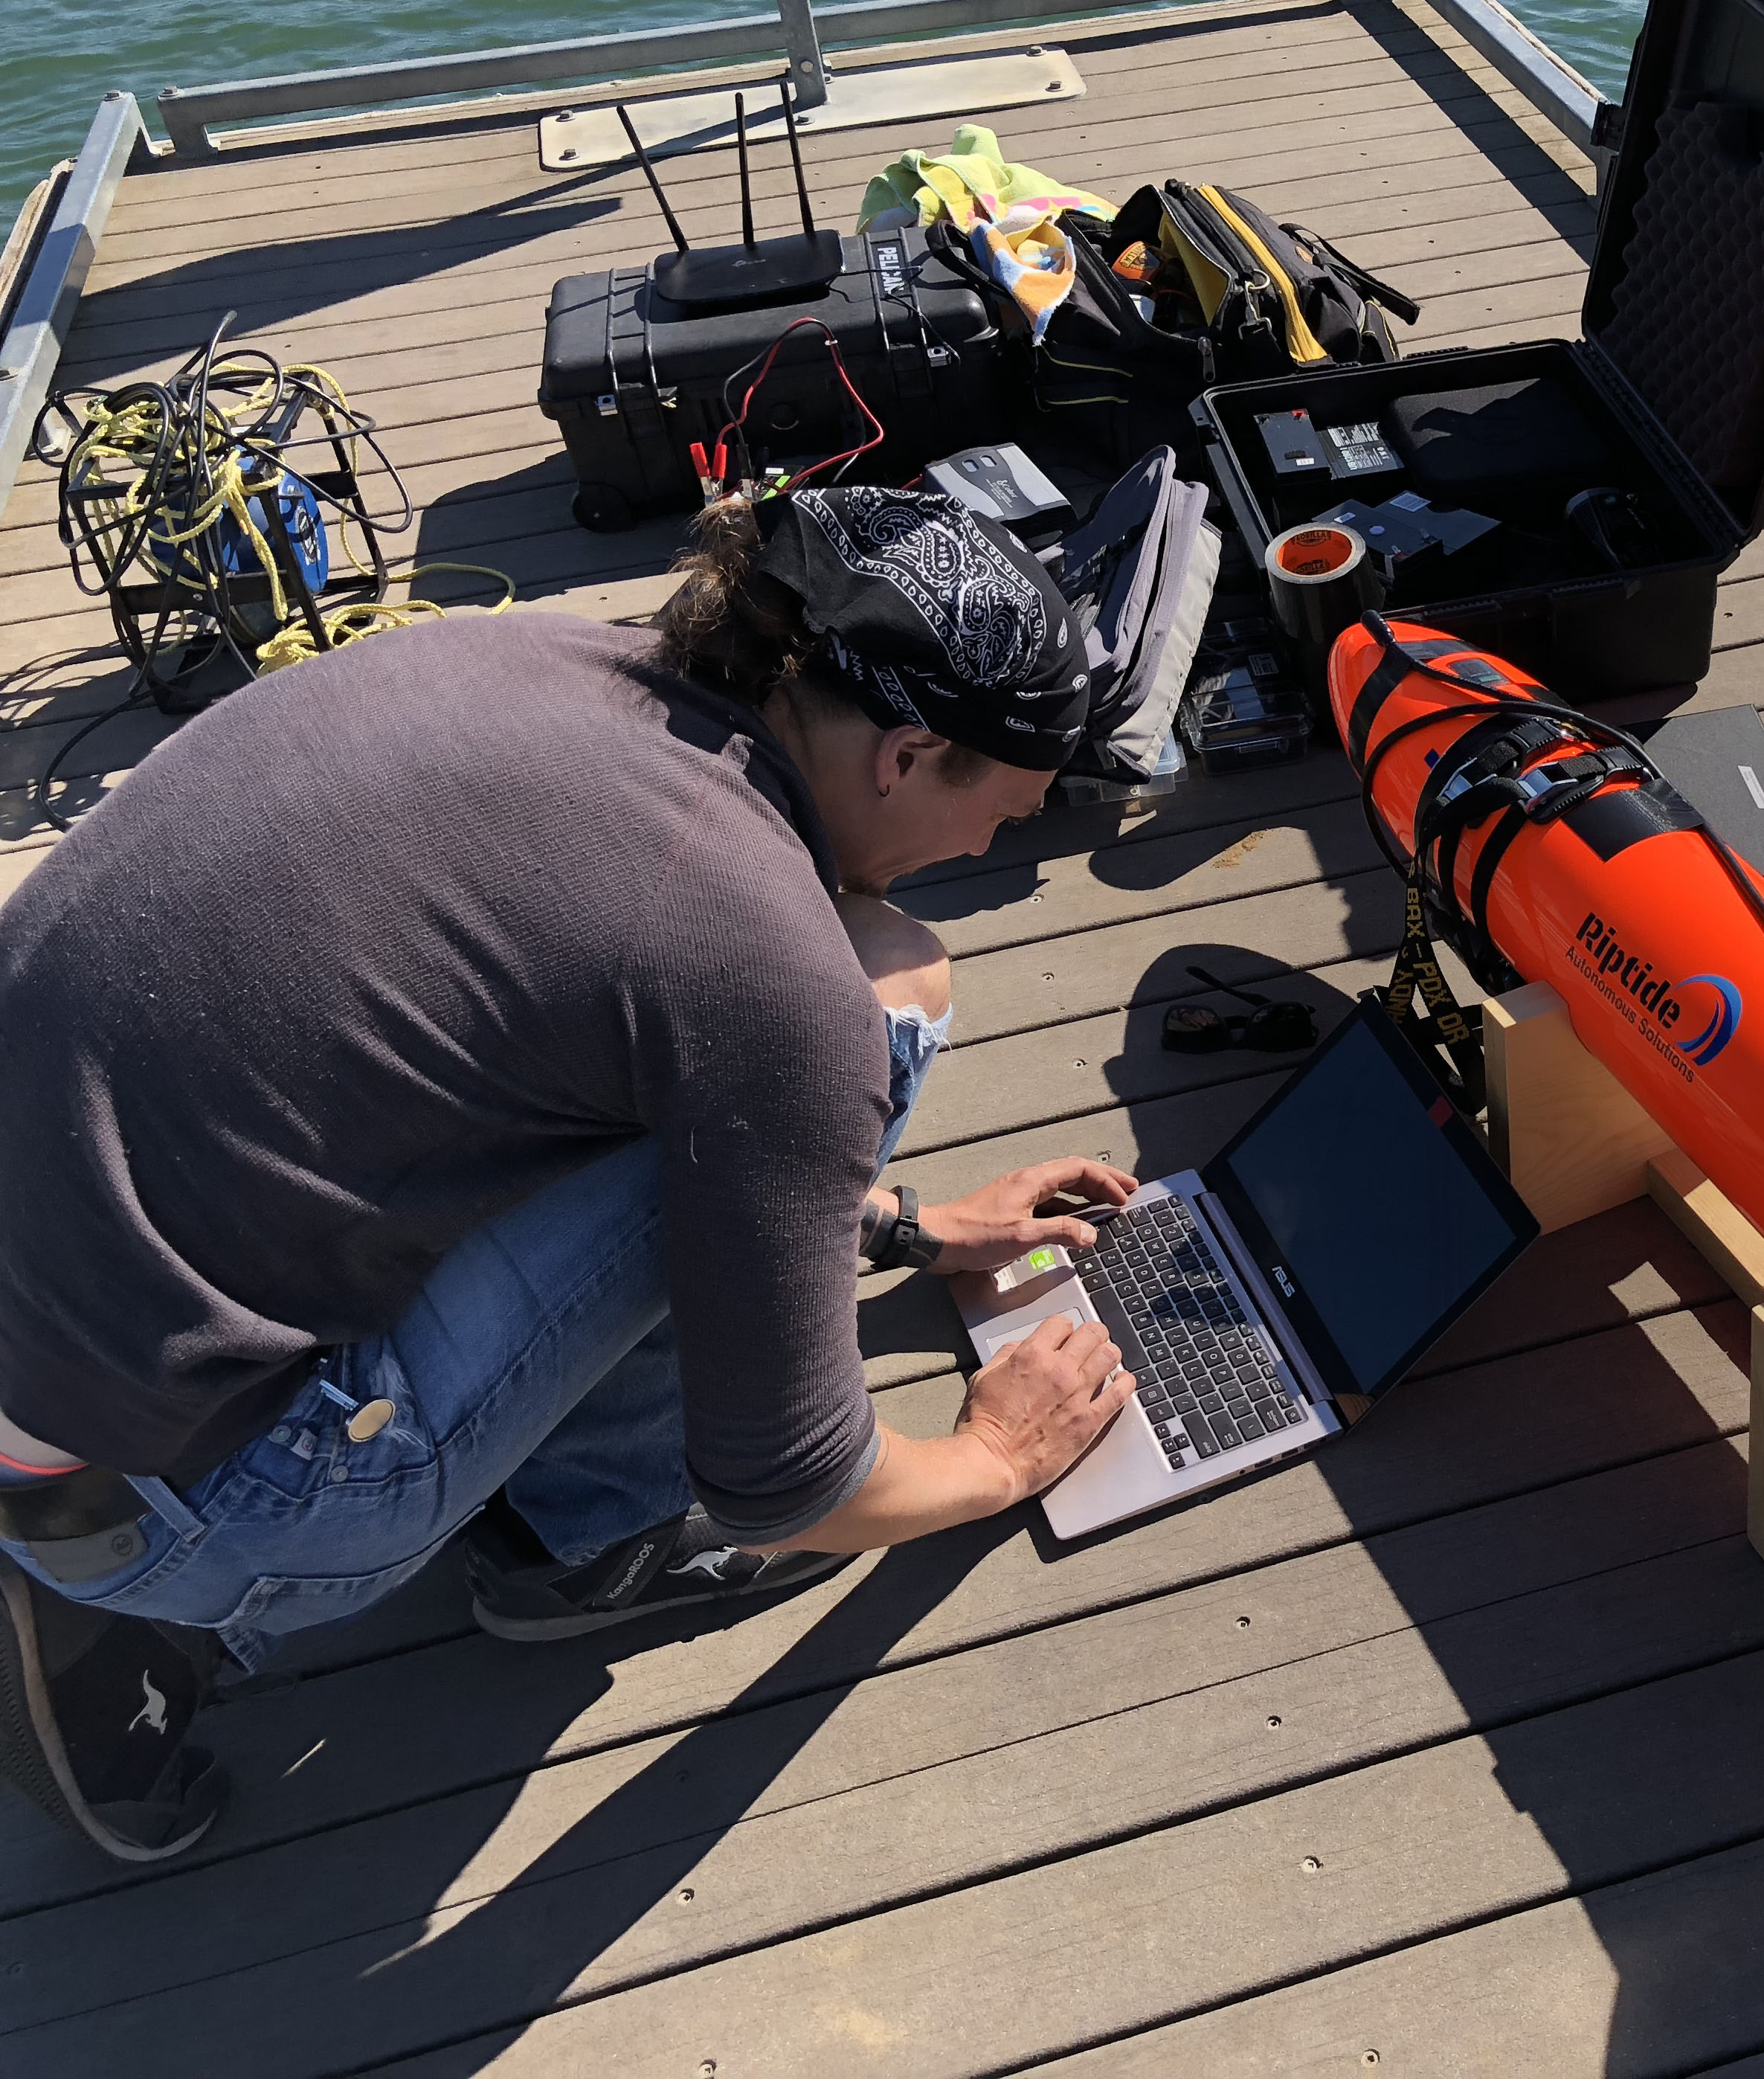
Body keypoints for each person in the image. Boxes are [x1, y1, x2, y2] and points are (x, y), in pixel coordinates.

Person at [0, 483, 1139, 1863]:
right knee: (886, 984)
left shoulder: (536, 658)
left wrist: (894, 1227)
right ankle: (590, 1536)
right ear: (903, 755)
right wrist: (995, 1456)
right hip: (212, 1510)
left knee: (667, 1056)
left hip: (58, 1329)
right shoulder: (761, 966)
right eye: (1003, 816)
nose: (985, 853)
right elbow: (795, 1486)